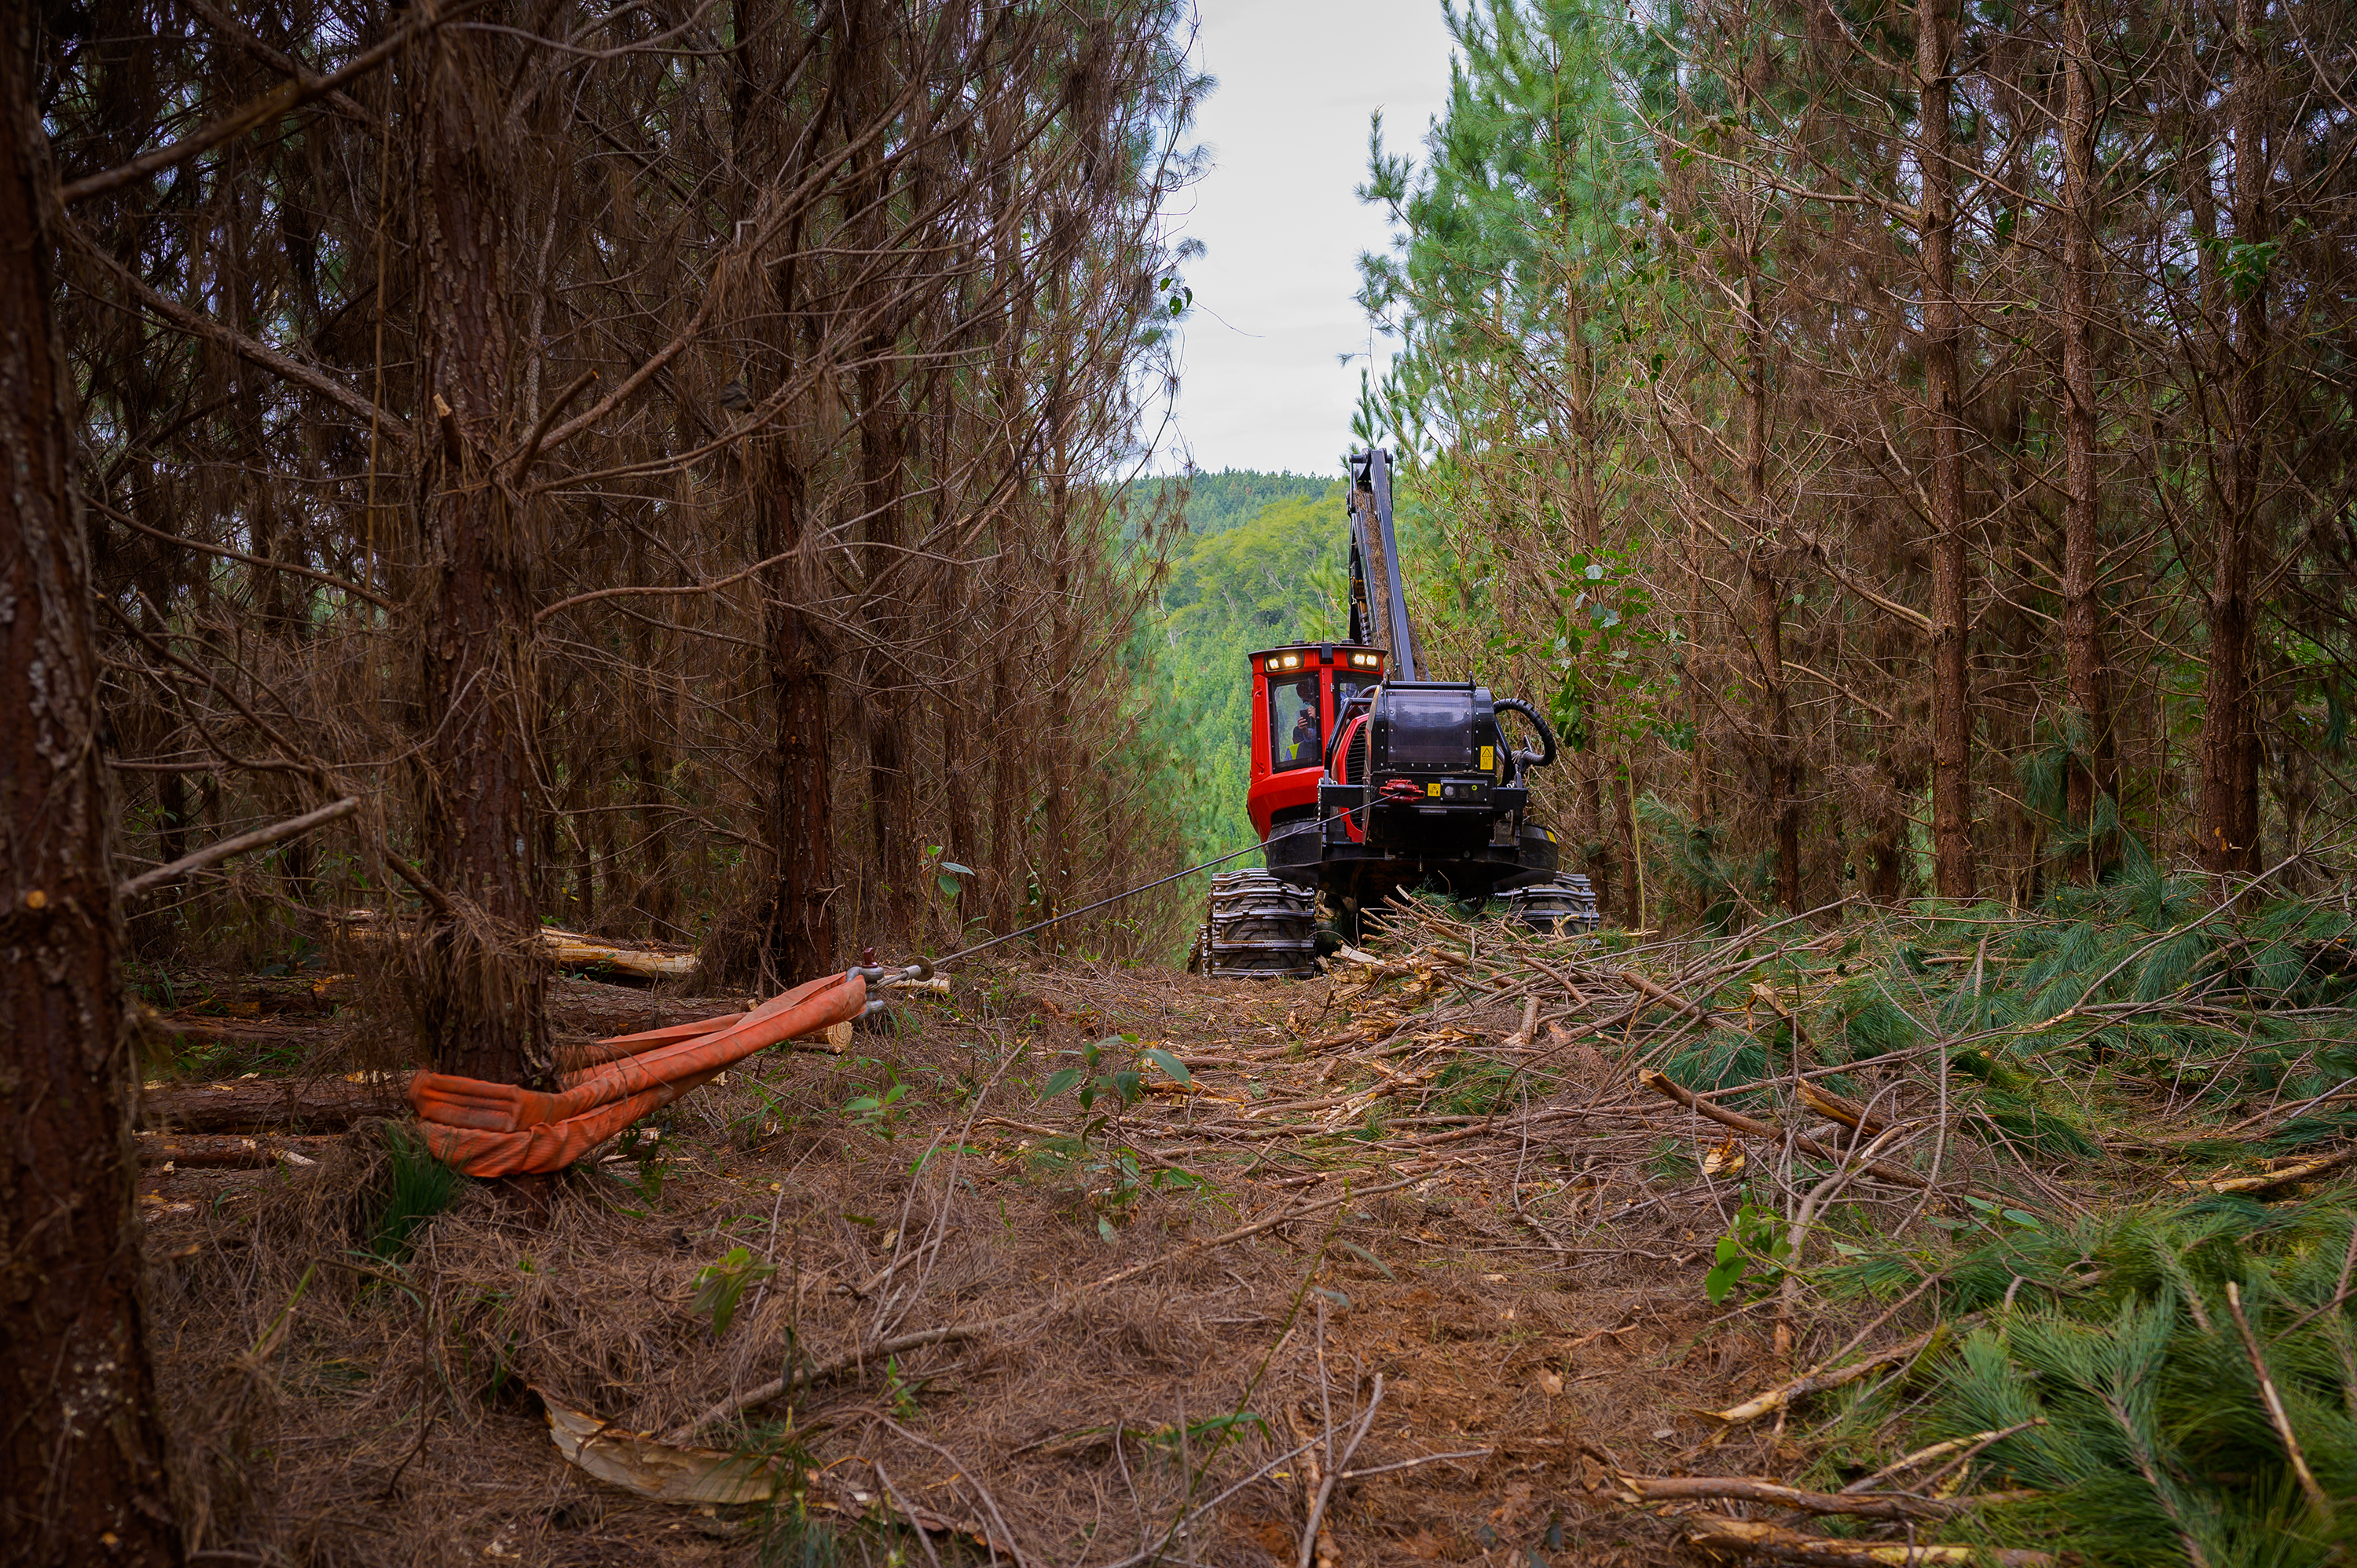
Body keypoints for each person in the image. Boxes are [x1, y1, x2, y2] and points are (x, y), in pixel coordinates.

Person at [1288, 694, 1319, 766]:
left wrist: (1318, 717)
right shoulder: (1301, 749)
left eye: (1308, 699)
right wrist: (1305, 731)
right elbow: (1314, 740)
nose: (1309, 703)